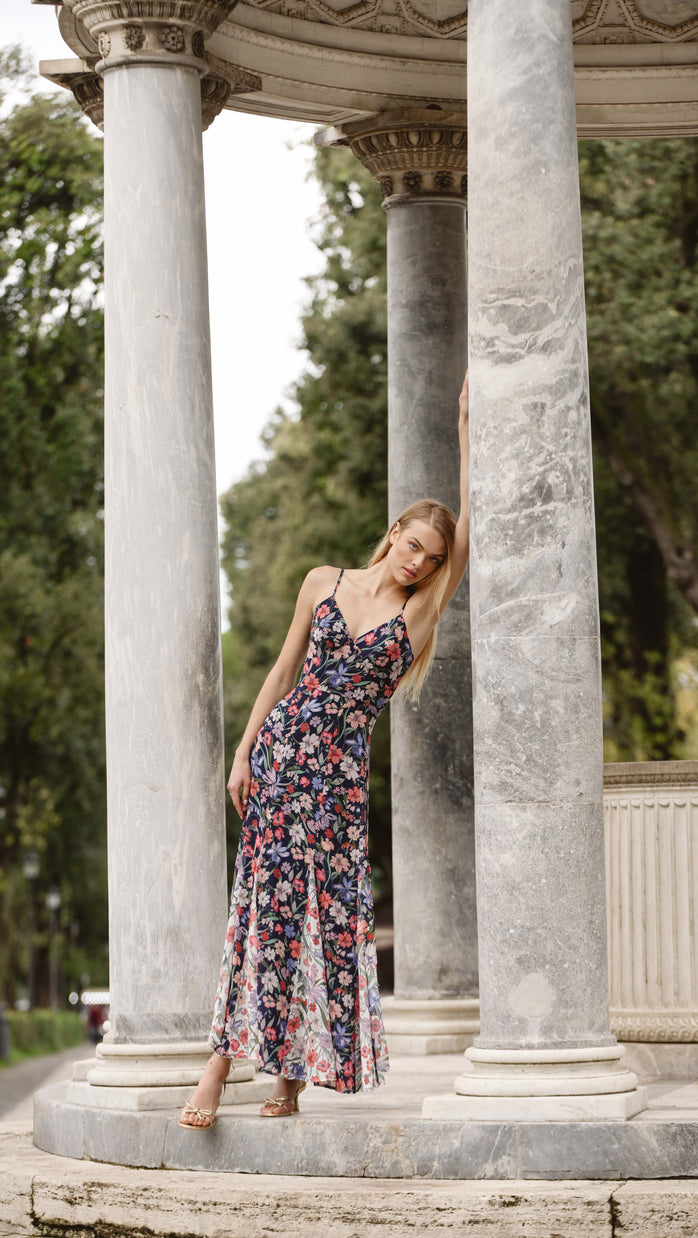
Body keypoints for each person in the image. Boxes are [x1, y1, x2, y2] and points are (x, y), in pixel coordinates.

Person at [179, 373, 469, 1129]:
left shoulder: (419, 615)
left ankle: (291, 1075)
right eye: (413, 544)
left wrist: (468, 434)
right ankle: (218, 1068)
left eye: (432, 557)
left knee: (321, 918)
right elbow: (281, 674)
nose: (418, 561)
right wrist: (243, 753)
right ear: (394, 533)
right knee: (264, 909)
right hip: (282, 760)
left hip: (339, 784)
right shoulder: (322, 581)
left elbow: (472, 536)